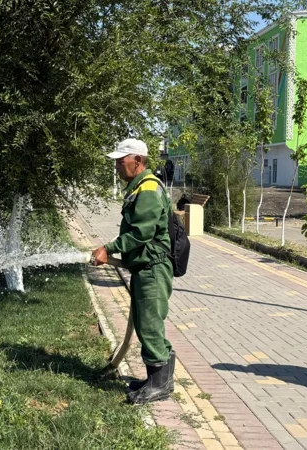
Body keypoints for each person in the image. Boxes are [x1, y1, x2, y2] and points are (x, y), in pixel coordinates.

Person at [92, 138, 175, 404]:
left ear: (137, 160)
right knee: (145, 323)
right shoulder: (139, 186)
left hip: (152, 268)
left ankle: (160, 385)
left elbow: (141, 233)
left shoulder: (148, 189)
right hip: (144, 267)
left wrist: (109, 248)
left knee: (150, 326)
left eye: (121, 160)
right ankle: (156, 380)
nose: (117, 165)